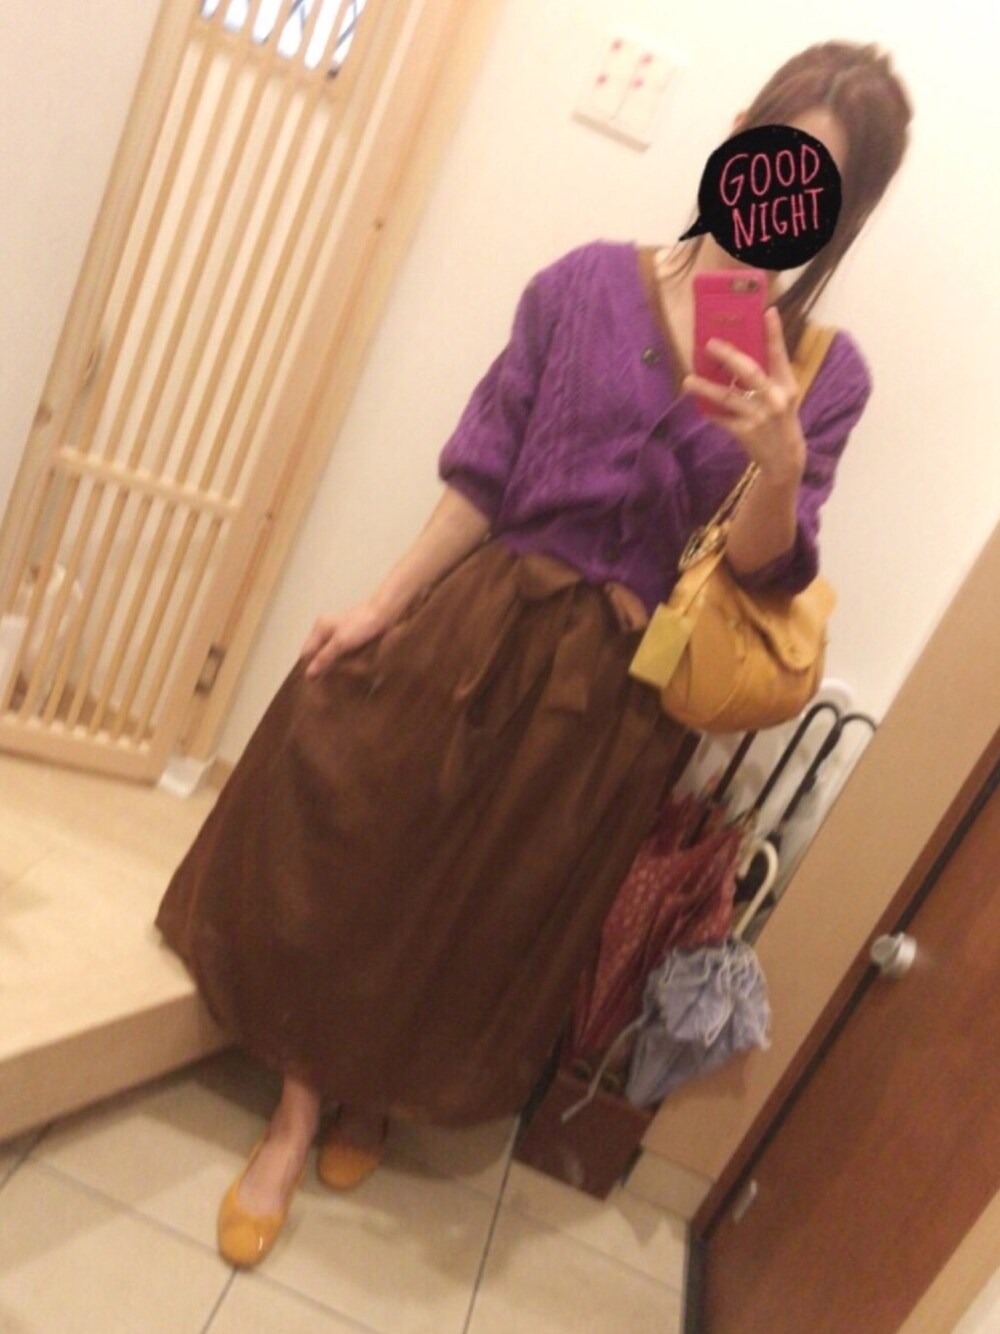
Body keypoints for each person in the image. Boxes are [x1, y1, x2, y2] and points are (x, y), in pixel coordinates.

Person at [154, 38, 911, 1267]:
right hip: (487, 623)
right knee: (378, 848)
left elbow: (767, 569)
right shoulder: (583, 285)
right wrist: (380, 604)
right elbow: (485, 470)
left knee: (484, 908)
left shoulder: (824, 377)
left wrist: (777, 462)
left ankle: (371, 1092)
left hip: (618, 695)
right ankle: (295, 1113)